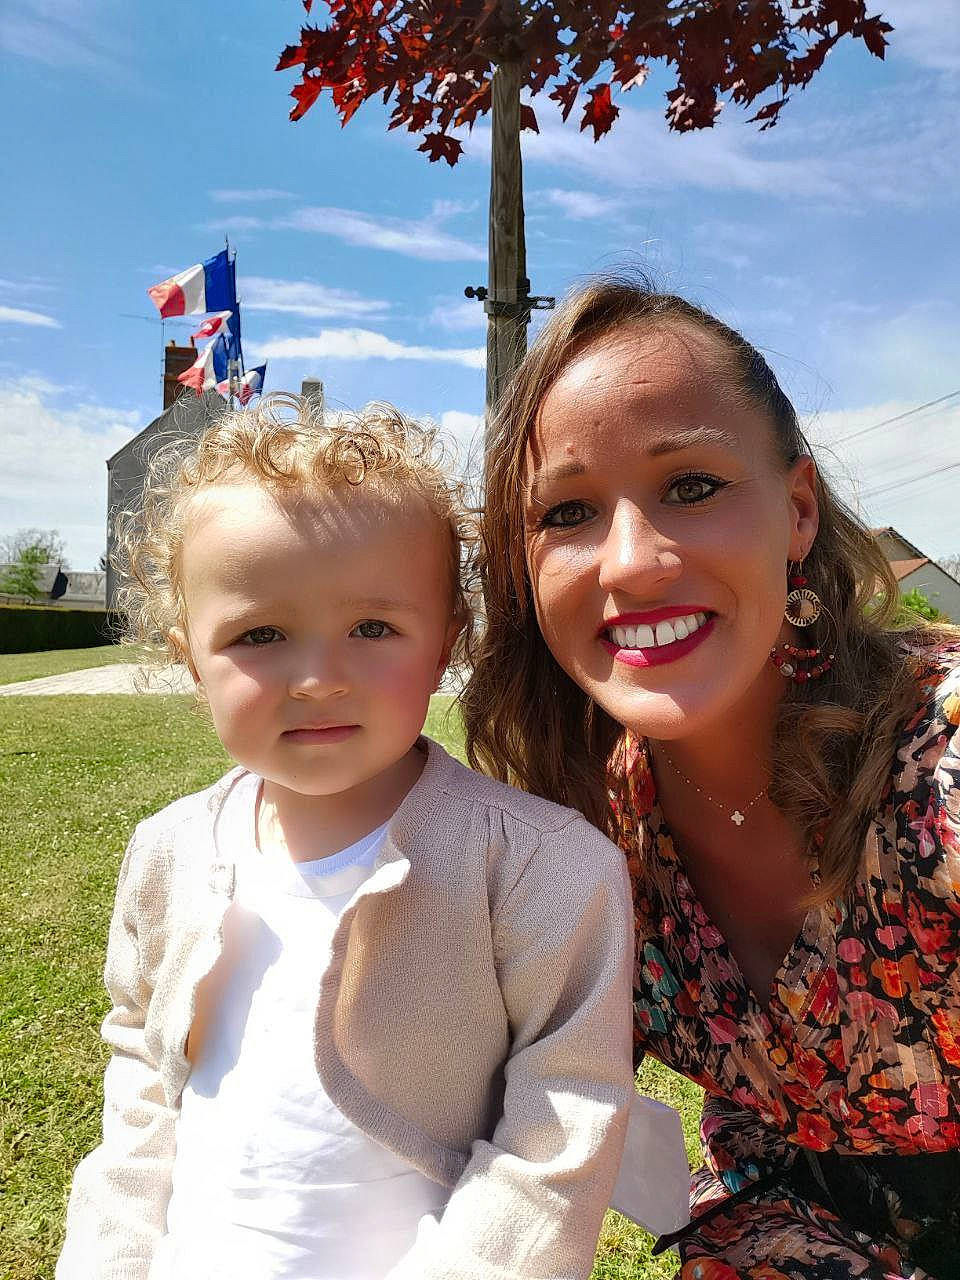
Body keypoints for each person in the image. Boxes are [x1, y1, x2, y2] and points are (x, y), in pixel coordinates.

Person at [57, 396, 636, 1280]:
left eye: (373, 628)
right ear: (189, 655)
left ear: (448, 642)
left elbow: (564, 1121)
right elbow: (141, 1068)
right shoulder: (166, 854)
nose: (320, 679)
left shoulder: (539, 868)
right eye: (260, 634)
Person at [463, 278, 960, 1279]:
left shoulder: (939, 751)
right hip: (787, 1236)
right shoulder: (581, 823)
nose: (633, 562)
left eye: (691, 486)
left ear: (800, 510)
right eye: (567, 511)